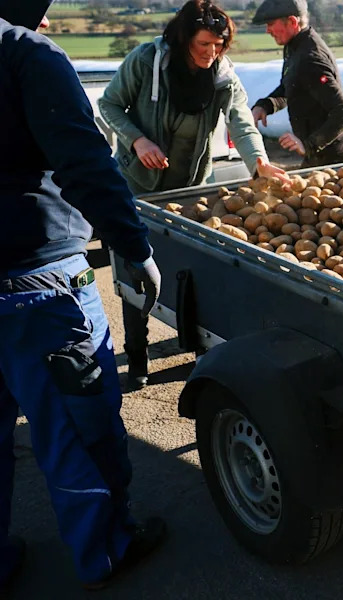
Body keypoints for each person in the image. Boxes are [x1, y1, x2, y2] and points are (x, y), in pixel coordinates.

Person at [0, 0, 166, 591]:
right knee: (78, 428)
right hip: (36, 282)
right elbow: (84, 160)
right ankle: (107, 551)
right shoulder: (23, 53)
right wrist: (133, 245)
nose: (42, 19)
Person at [98, 0, 291, 391]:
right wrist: (138, 141)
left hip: (192, 188)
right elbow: (109, 105)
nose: (211, 53)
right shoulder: (147, 62)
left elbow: (241, 119)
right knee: (137, 271)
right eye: (204, 44)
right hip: (139, 187)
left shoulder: (221, 74)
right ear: (184, 38)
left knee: (193, 271)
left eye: (219, 45)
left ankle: (203, 352)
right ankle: (137, 355)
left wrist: (260, 164)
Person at [251, 0, 343, 168]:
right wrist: (265, 106)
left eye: (271, 24)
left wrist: (308, 145)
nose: (267, 30)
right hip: (316, 155)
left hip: (334, 160)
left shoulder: (311, 58)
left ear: (293, 22)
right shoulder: (293, 46)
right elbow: (291, 87)